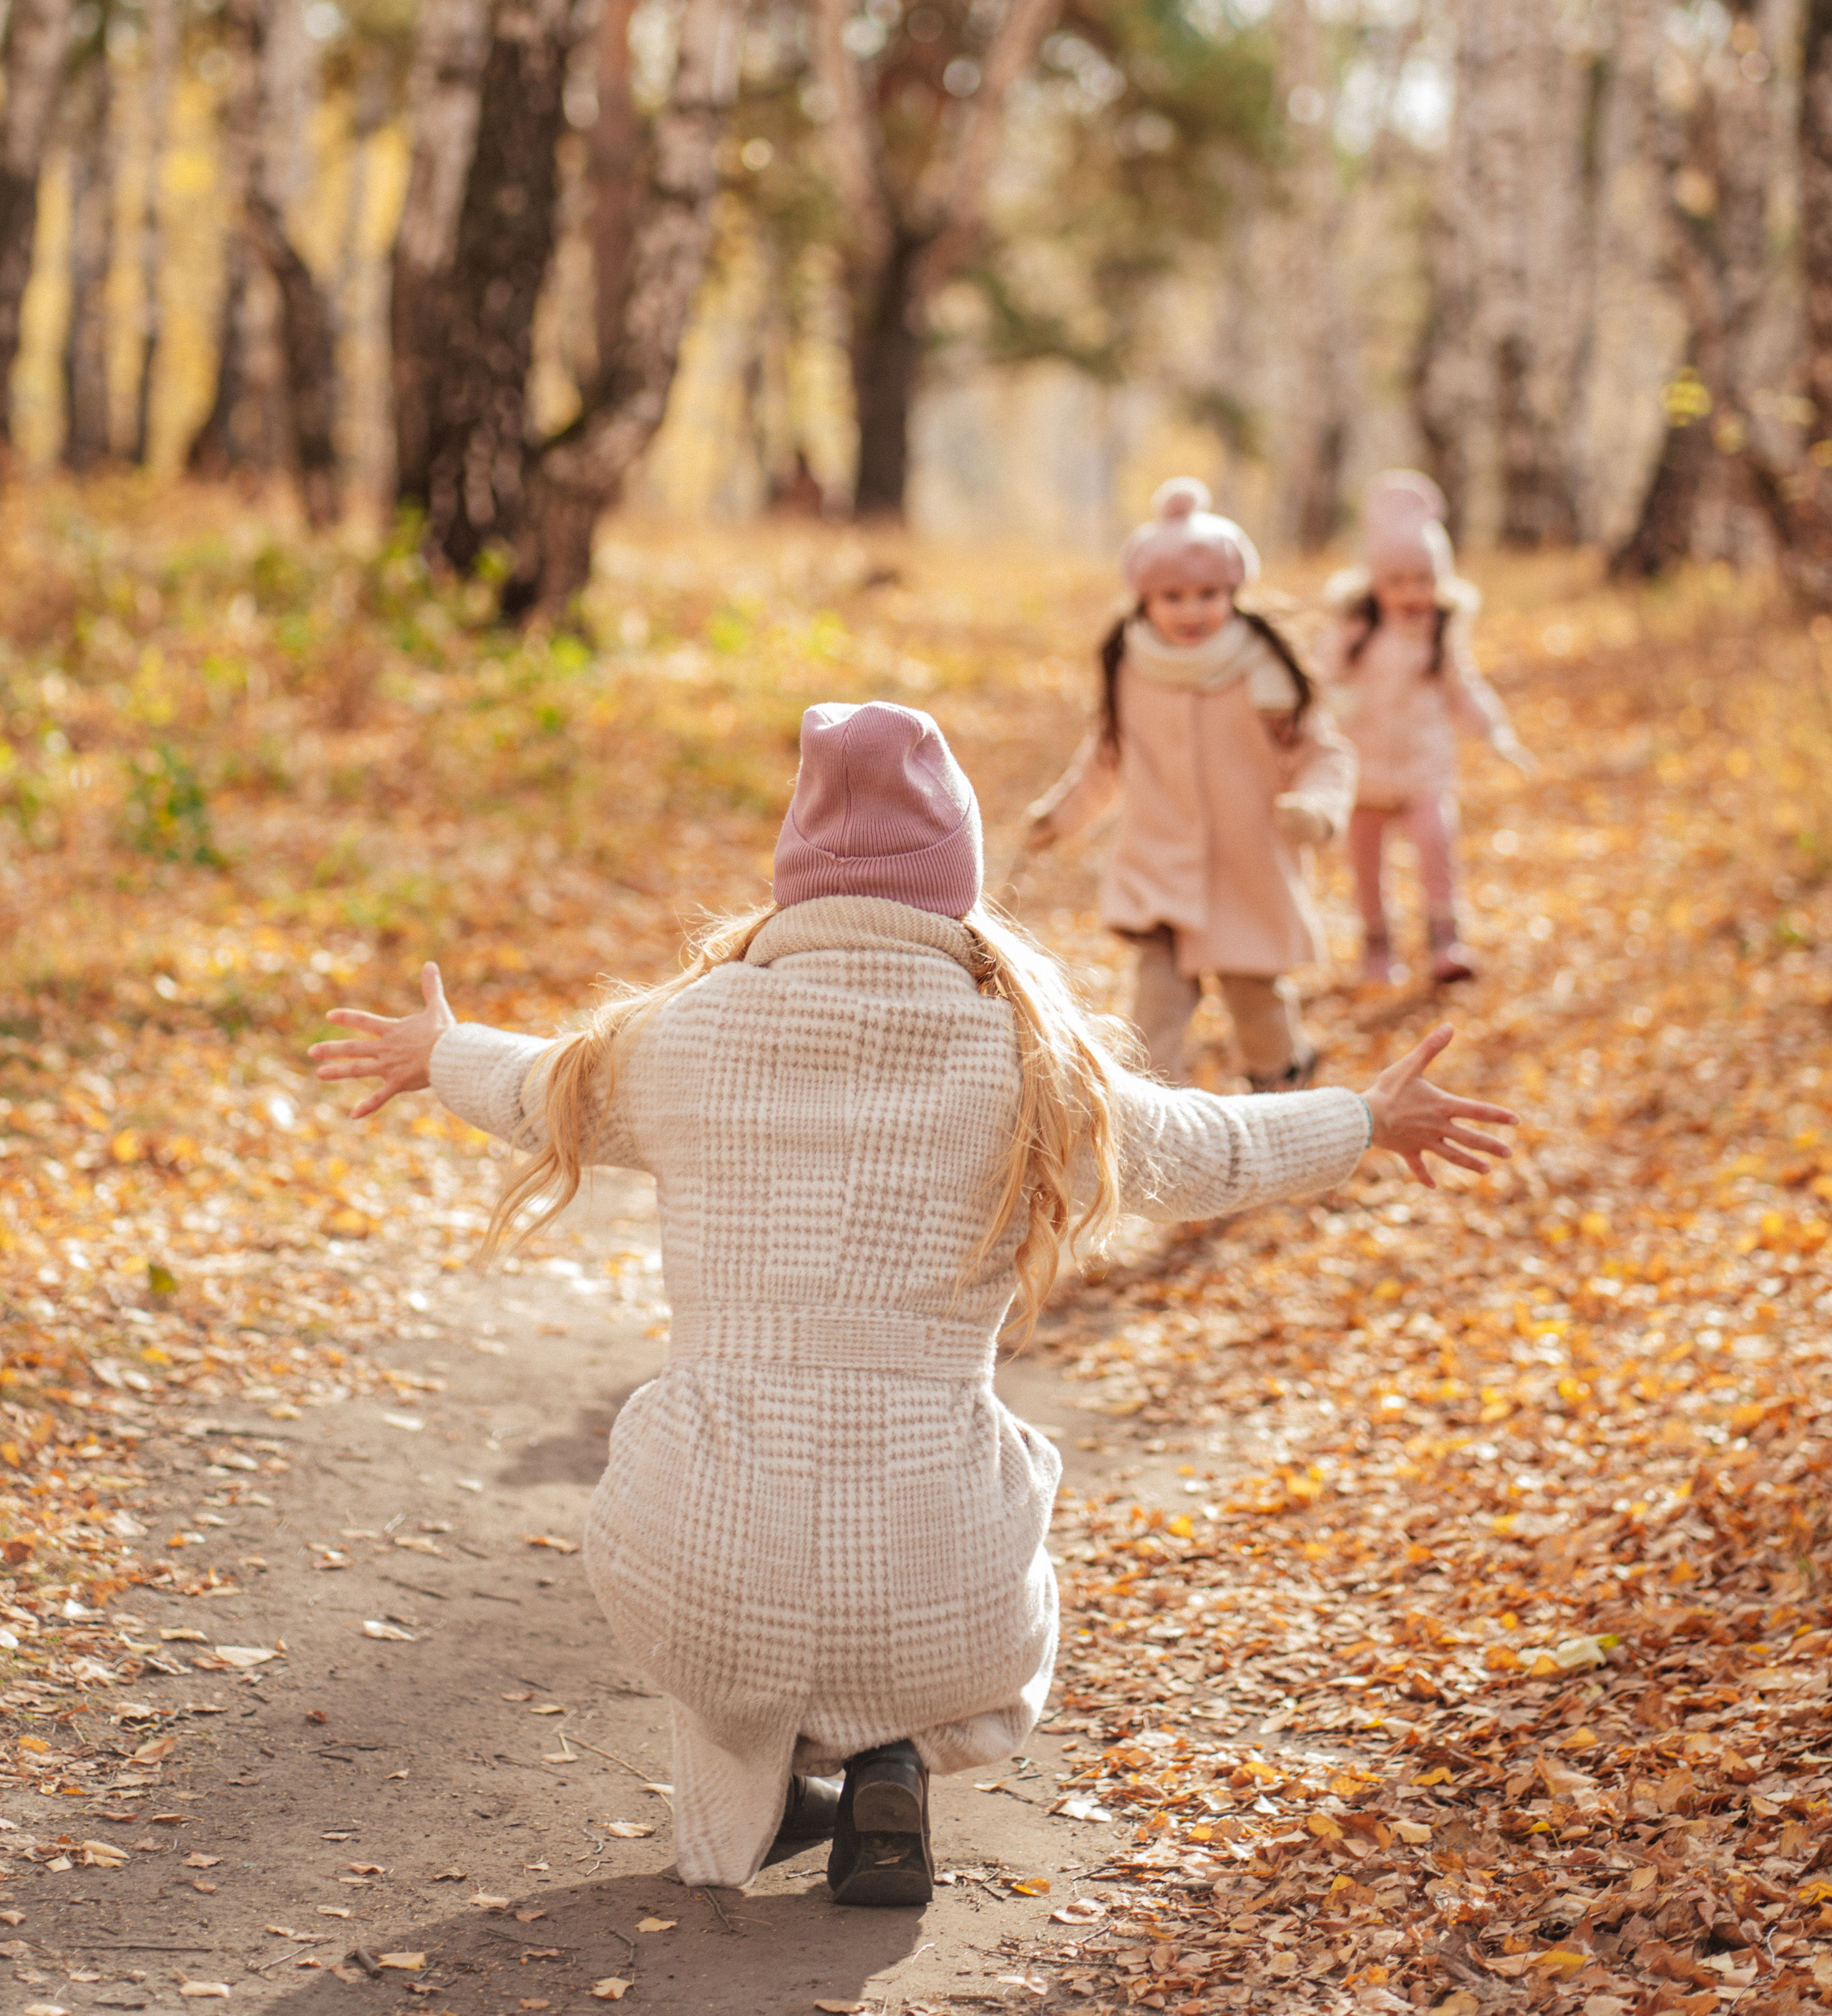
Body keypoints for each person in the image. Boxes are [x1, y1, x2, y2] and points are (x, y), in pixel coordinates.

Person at [308, 701, 1512, 1904]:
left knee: (693, 1525)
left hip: (712, 1579)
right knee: (970, 1551)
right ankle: (896, 1751)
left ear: (795, 873)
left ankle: (776, 1784)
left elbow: (536, 1090)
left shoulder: (684, 1038)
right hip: (951, 1601)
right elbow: (1211, 1151)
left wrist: (440, 1049)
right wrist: (1365, 1116)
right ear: (958, 884)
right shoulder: (1030, 1067)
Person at [1019, 479, 1356, 1089]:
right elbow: (1106, 759)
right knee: (1155, 1014)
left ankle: (1281, 1101)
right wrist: (1060, 817)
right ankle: (1156, 1130)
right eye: (1173, 596)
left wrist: (1316, 807)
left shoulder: (1264, 667)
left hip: (1244, 870)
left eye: (1209, 594)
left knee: (1258, 1008)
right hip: (1158, 868)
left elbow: (1323, 753)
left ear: (1235, 592)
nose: (1192, 611)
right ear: (1145, 599)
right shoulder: (1130, 665)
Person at [1321, 470, 1531, 987]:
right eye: (1397, 583)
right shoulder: (1355, 631)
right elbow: (1317, 677)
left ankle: (1446, 938)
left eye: (1424, 581)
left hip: (1424, 769)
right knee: (1366, 861)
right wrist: (1327, 703)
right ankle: (1377, 947)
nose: (1412, 594)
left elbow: (1465, 689)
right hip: (1364, 770)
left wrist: (1496, 732)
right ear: (1376, 583)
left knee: (1436, 841)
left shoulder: (1441, 634)